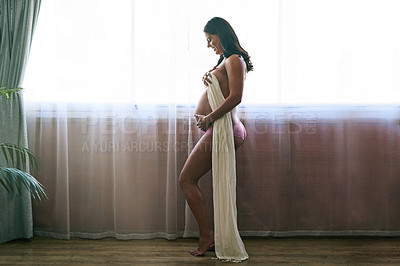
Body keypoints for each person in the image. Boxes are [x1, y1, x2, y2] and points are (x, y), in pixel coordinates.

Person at [178, 17, 253, 261]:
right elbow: (223, 90)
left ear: (221, 34)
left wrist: (208, 117)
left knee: (186, 179)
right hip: (220, 128)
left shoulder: (234, 59)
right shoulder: (226, 60)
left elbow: (235, 97)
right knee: (188, 179)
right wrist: (211, 82)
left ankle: (207, 236)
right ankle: (208, 235)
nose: (209, 44)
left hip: (225, 128)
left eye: (210, 38)